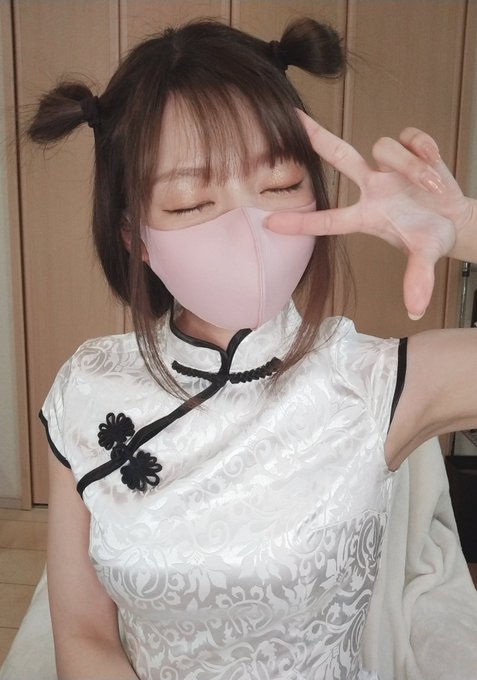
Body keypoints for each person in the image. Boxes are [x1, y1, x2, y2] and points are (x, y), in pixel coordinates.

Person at [28, 17, 477, 680]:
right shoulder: (87, 388)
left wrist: (465, 228)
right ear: (132, 234)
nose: (250, 230)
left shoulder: (372, 380)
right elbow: (83, 633)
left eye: (280, 186)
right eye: (191, 203)